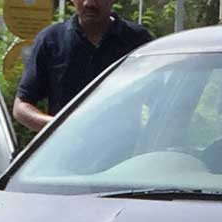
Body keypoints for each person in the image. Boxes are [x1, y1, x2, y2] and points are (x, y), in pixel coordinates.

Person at [13, 0, 152, 131]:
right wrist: (60, 128)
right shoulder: (51, 41)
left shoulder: (137, 40)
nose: (89, 3)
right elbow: (21, 107)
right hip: (68, 147)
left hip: (124, 147)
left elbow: (159, 99)